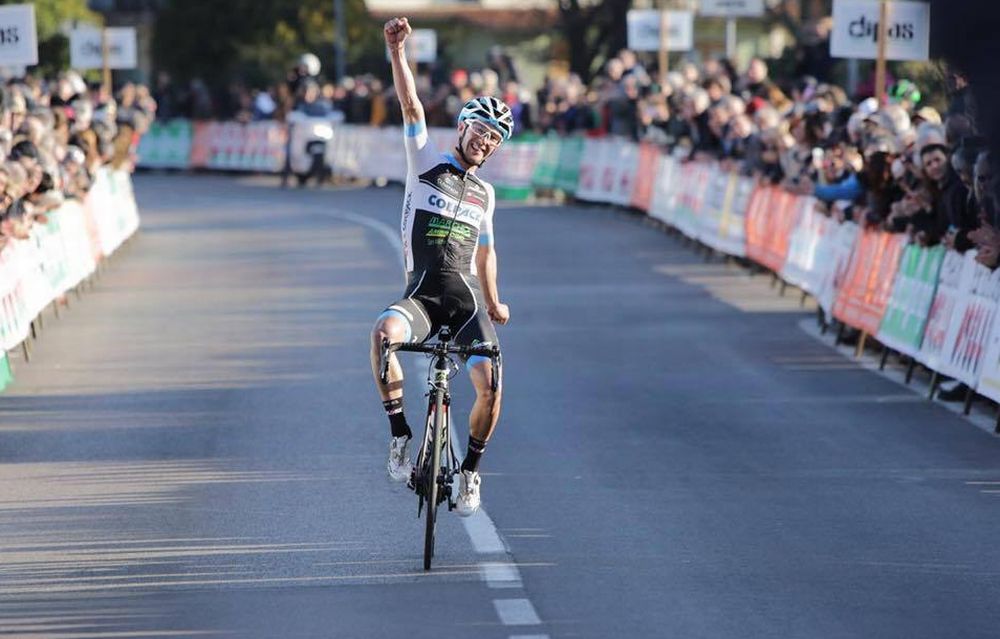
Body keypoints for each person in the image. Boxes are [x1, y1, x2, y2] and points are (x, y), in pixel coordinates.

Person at [370, 17, 512, 517]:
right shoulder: (425, 161)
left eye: (495, 139)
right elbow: (410, 104)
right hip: (423, 296)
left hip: (466, 301)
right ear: (463, 126)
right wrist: (397, 52)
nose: (486, 142)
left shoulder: (485, 194)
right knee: (383, 334)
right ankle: (400, 436)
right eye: (482, 131)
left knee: (491, 384)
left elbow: (486, 253)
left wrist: (494, 301)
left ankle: (470, 470)